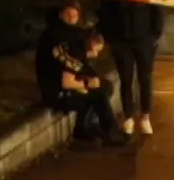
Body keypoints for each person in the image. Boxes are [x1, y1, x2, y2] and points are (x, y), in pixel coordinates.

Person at [36, 8, 126, 146]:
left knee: (105, 86)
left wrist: (91, 80)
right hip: (58, 94)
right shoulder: (62, 41)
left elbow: (81, 68)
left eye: (75, 15)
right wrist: (87, 84)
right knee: (99, 94)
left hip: (65, 88)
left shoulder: (71, 37)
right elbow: (67, 81)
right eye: (69, 14)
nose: (72, 18)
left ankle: (83, 127)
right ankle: (111, 134)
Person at [97, 0, 164, 136]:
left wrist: (154, 36)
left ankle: (145, 117)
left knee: (145, 79)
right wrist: (111, 39)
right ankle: (128, 118)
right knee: (125, 79)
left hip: (144, 41)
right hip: (121, 42)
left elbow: (157, 9)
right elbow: (104, 12)